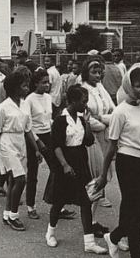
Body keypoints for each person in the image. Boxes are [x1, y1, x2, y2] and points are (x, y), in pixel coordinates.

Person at [96, 68, 140, 258]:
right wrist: (103, 175)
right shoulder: (120, 112)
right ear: (129, 86)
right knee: (133, 213)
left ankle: (114, 236)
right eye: (138, 86)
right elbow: (112, 146)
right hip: (127, 163)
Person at [44, 85, 107, 254]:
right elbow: (56, 145)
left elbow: (88, 141)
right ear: (72, 101)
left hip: (80, 160)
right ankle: (50, 232)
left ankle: (89, 242)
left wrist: (86, 122)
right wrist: (65, 165)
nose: (85, 105)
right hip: (65, 161)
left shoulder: (80, 118)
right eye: (83, 101)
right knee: (59, 201)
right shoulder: (60, 119)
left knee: (86, 201)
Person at [0, 72, 43, 231]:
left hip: (21, 143)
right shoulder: (3, 107)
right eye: (24, 86)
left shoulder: (25, 104)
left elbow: (28, 130)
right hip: (7, 143)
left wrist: (36, 149)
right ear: (14, 88)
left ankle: (7, 213)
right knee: (21, 180)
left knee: (14, 181)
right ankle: (14, 215)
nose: (27, 88)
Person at [81, 57, 116, 234]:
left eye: (99, 72)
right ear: (86, 73)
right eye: (93, 72)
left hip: (105, 136)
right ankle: (89, 221)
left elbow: (113, 109)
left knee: (103, 179)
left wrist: (105, 119)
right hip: (91, 138)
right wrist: (104, 122)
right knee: (94, 179)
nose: (97, 75)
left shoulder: (100, 87)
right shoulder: (82, 90)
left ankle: (93, 219)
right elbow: (85, 117)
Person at [24, 69, 52, 219]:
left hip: (48, 136)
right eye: (43, 82)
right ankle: (30, 206)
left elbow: (48, 119)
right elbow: (27, 125)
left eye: (48, 82)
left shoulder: (48, 97)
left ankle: (56, 203)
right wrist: (38, 142)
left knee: (56, 169)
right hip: (33, 139)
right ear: (36, 83)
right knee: (33, 173)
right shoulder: (29, 99)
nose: (47, 85)